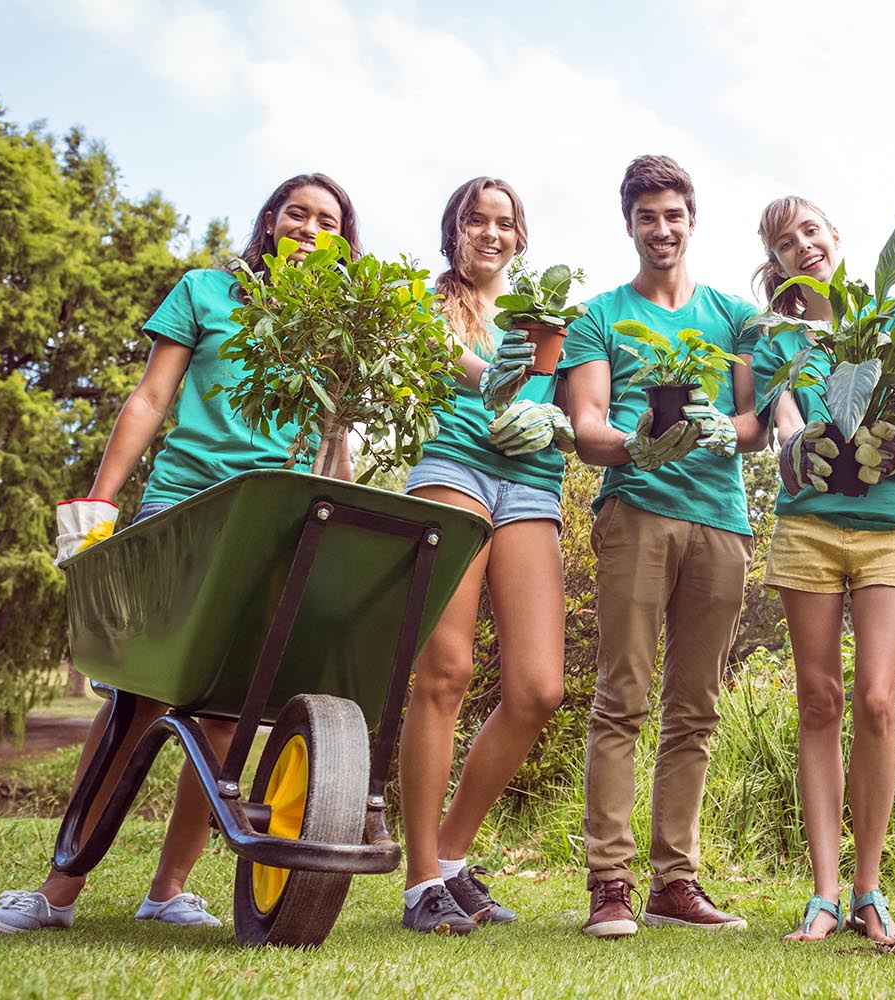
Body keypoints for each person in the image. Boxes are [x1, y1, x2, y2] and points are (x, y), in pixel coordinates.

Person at [0, 173, 361, 934]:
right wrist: (102, 500)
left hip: (271, 521)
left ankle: (169, 889)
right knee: (136, 702)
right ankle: (56, 892)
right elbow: (150, 397)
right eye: (297, 213)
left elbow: (329, 446)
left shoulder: (337, 330)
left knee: (223, 717)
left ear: (343, 242)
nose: (310, 228)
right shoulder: (207, 293)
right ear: (271, 221)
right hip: (181, 507)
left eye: (328, 221)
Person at [560, 154, 766, 938]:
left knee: (696, 710)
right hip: (636, 512)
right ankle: (609, 883)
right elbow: (586, 427)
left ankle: (674, 881)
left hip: (721, 521)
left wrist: (725, 429)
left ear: (691, 219)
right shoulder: (600, 317)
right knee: (622, 699)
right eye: (647, 216)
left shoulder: (734, 318)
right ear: (630, 225)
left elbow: (750, 423)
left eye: (673, 214)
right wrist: (635, 444)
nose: (662, 228)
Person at [395, 177, 574, 935]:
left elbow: (578, 403)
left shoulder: (550, 317)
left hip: (531, 485)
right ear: (455, 231)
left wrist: (563, 419)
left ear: (522, 237)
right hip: (453, 471)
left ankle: (452, 855)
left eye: (505, 223)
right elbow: (466, 372)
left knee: (538, 690)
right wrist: (514, 388)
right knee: (446, 672)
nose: (492, 233)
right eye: (478, 220)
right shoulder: (428, 303)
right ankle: (419, 883)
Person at [751, 196, 895, 944]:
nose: (804, 246)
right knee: (819, 701)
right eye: (787, 242)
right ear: (779, 260)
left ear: (835, 237)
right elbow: (786, 420)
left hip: (892, 526)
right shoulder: (775, 339)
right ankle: (824, 895)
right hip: (811, 530)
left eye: (811, 231)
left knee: (878, 701)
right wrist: (797, 446)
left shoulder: (889, 324)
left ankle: (868, 890)